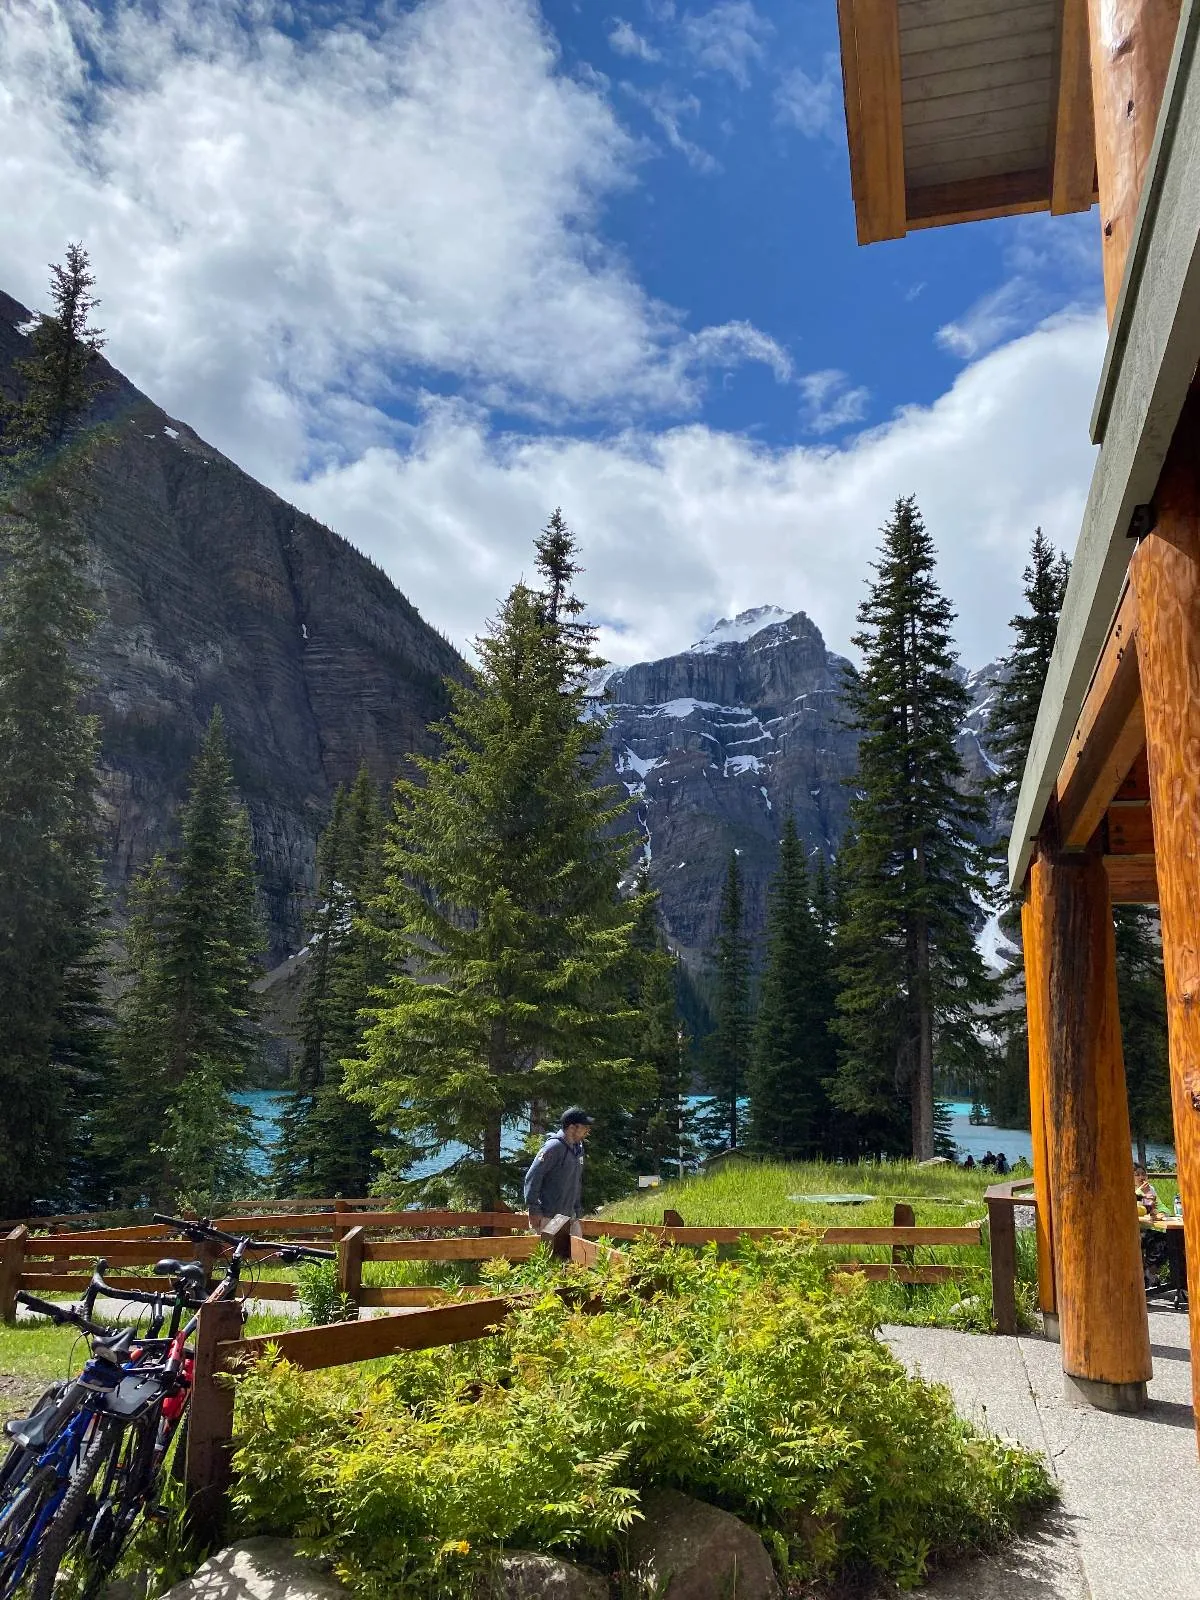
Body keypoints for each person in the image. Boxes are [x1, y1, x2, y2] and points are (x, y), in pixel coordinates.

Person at [524, 1108, 593, 1236]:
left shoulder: (578, 1149)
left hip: (570, 1216)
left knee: (576, 1254)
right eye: (584, 1127)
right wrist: (533, 1209)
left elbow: (576, 1181)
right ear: (572, 1128)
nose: (587, 1131)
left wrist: (577, 1210)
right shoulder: (553, 1147)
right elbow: (533, 1177)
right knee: (549, 1254)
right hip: (549, 1217)